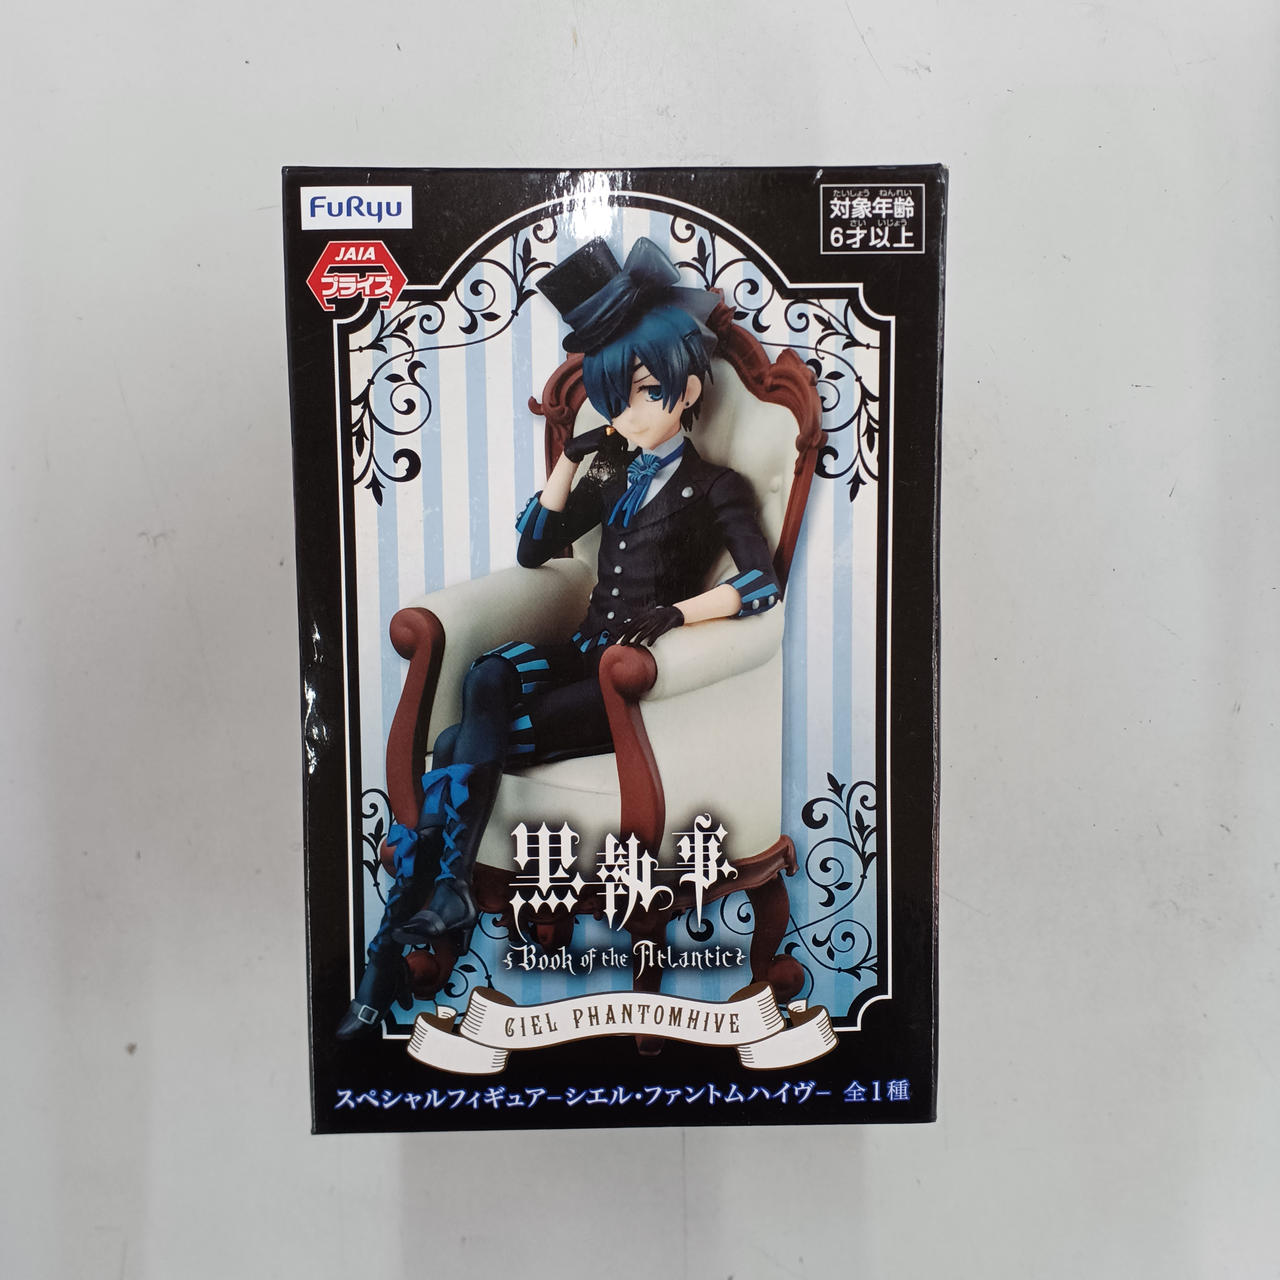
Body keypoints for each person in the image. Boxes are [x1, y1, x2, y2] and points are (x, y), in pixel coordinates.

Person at [338, 237, 782, 1038]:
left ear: (686, 390)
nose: (625, 414)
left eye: (642, 394)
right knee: (486, 674)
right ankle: (441, 898)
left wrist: (681, 614)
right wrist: (572, 462)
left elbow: (761, 582)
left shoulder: (714, 485)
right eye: (613, 399)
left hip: (626, 684)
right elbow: (534, 550)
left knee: (457, 746)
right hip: (582, 651)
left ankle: (410, 931)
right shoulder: (613, 469)